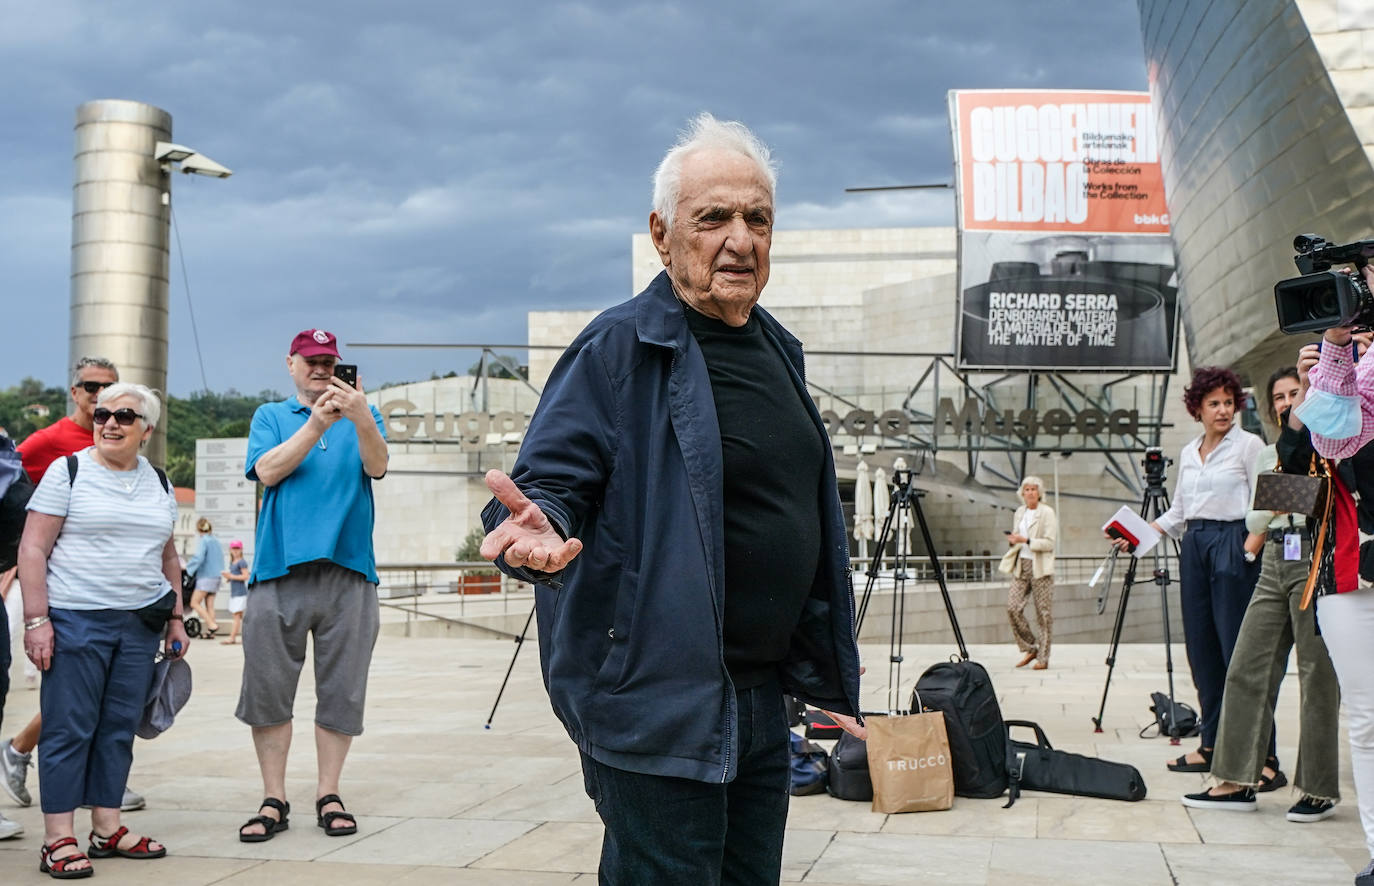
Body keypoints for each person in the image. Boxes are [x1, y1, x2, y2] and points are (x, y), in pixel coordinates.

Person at [480, 113, 864, 886]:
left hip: (759, 702)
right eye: (713, 217)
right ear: (662, 234)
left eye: (758, 219)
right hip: (654, 703)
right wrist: (536, 529)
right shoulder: (617, 348)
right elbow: (548, 487)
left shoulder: (777, 349)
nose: (741, 240)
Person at [17, 383, 188, 878]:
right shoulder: (67, 471)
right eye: (103, 414)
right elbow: (32, 548)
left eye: (125, 416)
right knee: (68, 728)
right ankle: (57, 838)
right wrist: (37, 621)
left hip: (139, 624)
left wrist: (176, 617)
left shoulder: (159, 481)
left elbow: (168, 556)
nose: (110, 423)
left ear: (146, 429)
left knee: (117, 728)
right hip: (76, 620)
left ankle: (107, 827)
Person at [235, 328, 387, 842]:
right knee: (268, 690)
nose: (321, 369)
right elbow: (267, 471)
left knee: (343, 690)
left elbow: (378, 465)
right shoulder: (271, 416)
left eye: (329, 362)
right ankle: (273, 797)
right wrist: (316, 423)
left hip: (349, 570)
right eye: (311, 361)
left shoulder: (365, 414)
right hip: (278, 570)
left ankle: (329, 792)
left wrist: (359, 416)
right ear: (291, 364)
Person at [1181, 365, 1342, 820]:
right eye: (1280, 397)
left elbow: (1313, 503)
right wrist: (1284, 500)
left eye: (1296, 392)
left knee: (1317, 675)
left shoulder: (1332, 446)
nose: (1288, 402)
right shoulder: (1269, 453)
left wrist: (1278, 501)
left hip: (1315, 554)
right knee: (1246, 665)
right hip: (1273, 557)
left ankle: (1318, 788)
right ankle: (1235, 779)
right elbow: (1255, 519)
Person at [2, 356, 147, 815]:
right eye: (90, 388)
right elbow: (12, 496)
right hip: (62, 585)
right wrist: (11, 563)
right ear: (74, 392)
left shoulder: (125, 439)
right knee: (75, 693)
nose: (99, 397)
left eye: (109, 388)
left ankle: (88, 779)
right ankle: (29, 756)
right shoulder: (48, 441)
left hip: (117, 591)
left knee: (103, 694)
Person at [1112, 366, 1263, 773]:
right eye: (1214, 403)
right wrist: (1137, 536)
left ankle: (1261, 755)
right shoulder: (1189, 452)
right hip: (1194, 545)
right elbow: (1178, 512)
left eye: (1228, 402)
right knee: (1202, 651)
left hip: (1233, 542)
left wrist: (1248, 552)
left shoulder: (1249, 446)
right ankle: (1211, 745)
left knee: (1239, 654)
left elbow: (1265, 504)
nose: (1223, 410)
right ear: (1198, 408)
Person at [1304, 300, 1374, 886]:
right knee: (1364, 716)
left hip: (1316, 552)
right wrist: (1333, 360)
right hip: (1335, 558)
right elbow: (1325, 449)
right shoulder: (1347, 368)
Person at [1004, 475, 1057, 670]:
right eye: (1027, 489)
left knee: (1043, 614)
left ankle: (1043, 657)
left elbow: (1050, 543)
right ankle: (1030, 646)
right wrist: (1013, 540)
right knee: (1012, 607)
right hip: (1022, 565)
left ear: (1039, 492)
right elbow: (1017, 538)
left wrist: (1026, 541)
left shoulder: (1047, 513)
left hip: (1040, 567)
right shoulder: (1020, 512)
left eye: (1034, 489)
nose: (1030, 493)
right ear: (1022, 493)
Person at [185, 517, 223, 638]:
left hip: (205, 577)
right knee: (210, 605)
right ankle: (211, 632)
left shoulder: (204, 541)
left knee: (194, 602)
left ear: (198, 529)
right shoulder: (215, 541)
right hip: (216, 577)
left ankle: (212, 625)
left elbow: (199, 558)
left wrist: (188, 568)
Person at [220, 540, 248, 645]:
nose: (235, 551)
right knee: (240, 616)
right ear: (230, 550)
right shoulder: (233, 562)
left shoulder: (241, 562)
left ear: (241, 550)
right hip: (235, 593)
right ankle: (244, 637)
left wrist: (231, 576)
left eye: (237, 548)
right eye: (234, 548)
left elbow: (245, 576)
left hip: (240, 593)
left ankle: (232, 637)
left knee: (236, 616)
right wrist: (229, 578)